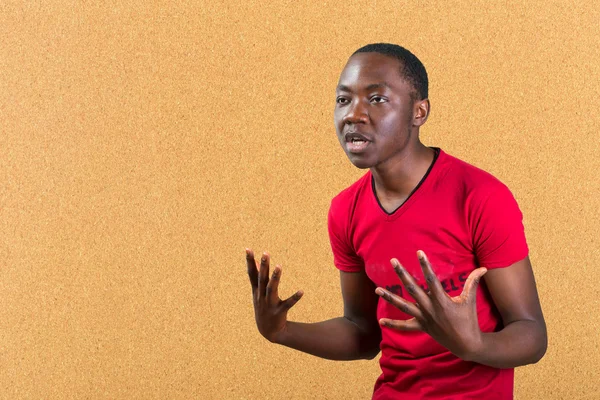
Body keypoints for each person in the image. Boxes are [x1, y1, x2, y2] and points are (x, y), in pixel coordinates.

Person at [245, 43, 547, 400]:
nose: (353, 115)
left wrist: (474, 345)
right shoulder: (345, 210)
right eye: (343, 100)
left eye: (376, 99)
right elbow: (363, 333)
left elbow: (531, 334)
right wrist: (281, 331)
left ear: (419, 112)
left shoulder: (480, 196)